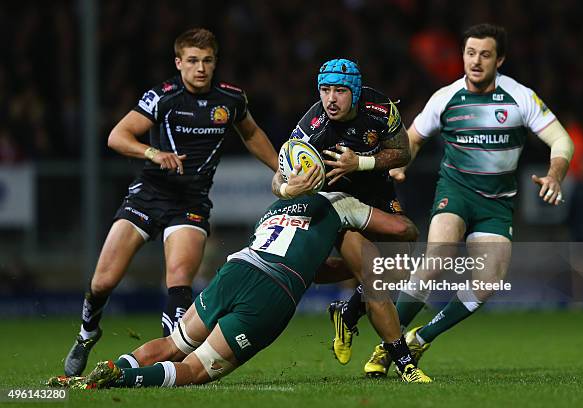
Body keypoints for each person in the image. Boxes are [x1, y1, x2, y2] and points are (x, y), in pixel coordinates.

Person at [48, 164, 430, 389]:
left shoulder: (272, 210)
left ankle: (112, 368)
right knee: (196, 371)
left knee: (173, 345)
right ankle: (120, 380)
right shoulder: (337, 202)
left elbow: (314, 270)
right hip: (271, 292)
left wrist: (357, 267)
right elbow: (402, 230)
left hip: (236, 269)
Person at [340, 23, 573, 377]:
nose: (476, 61)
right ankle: (390, 345)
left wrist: (555, 174)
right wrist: (405, 165)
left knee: (488, 283)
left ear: (500, 59)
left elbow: (562, 141)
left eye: (485, 54)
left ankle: (421, 337)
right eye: (470, 53)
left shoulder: (520, 97)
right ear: (462, 56)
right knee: (438, 257)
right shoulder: (446, 98)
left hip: (497, 204)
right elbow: (412, 138)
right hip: (456, 193)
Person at [63, 28, 278, 377]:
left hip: (190, 202)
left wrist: (281, 170)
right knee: (103, 281)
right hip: (148, 196)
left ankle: (171, 362)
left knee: (178, 280)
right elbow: (117, 136)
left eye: (207, 61)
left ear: (215, 62)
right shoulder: (162, 96)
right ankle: (88, 333)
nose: (201, 68)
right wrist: (152, 152)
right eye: (192, 61)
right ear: (178, 63)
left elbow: (252, 134)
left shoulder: (232, 100)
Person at [271, 59, 418, 367]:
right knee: (374, 276)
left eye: (339, 91)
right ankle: (401, 361)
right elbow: (279, 176)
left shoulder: (379, 108)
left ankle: (347, 313)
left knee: (400, 268)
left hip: (379, 195)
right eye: (324, 90)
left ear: (354, 91)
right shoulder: (312, 127)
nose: (330, 99)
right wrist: (288, 189)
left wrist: (359, 163)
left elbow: (402, 152)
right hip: (341, 206)